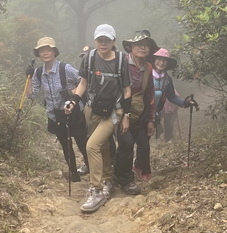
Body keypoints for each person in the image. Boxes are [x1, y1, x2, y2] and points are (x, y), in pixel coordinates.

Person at [66, 24, 131, 213]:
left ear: (113, 41)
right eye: (100, 40)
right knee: (101, 146)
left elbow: (127, 90)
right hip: (92, 109)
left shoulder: (121, 61)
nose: (103, 44)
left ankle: (96, 189)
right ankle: (108, 180)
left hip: (113, 112)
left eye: (107, 40)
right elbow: (83, 83)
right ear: (95, 41)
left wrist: (126, 116)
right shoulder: (90, 58)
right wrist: (73, 101)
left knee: (91, 146)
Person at [26, 36, 89, 181]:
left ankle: (92, 170)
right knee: (66, 146)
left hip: (74, 112)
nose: (45, 53)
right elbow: (31, 94)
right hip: (55, 115)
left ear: (54, 52)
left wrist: (72, 93)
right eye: (42, 50)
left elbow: (83, 81)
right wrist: (28, 77)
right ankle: (73, 174)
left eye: (48, 50)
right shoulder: (38, 72)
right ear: (38, 54)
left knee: (82, 144)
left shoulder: (65, 68)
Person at [113, 30, 158, 193]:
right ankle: (124, 179)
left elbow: (150, 94)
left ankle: (123, 175)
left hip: (139, 114)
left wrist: (151, 119)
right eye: (139, 44)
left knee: (143, 145)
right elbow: (113, 89)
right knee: (126, 144)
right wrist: (121, 113)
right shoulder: (121, 63)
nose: (143, 48)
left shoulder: (147, 68)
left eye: (146, 45)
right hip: (119, 111)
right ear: (131, 47)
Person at [152, 47, 199, 144]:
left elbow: (172, 97)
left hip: (156, 111)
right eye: (159, 59)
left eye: (164, 60)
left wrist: (186, 102)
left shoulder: (167, 79)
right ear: (154, 60)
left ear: (167, 63)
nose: (161, 63)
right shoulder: (146, 74)